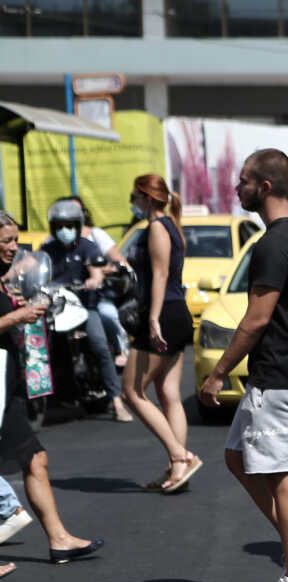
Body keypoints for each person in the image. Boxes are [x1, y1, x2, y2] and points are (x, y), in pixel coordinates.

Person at [199, 149, 288, 582]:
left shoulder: (273, 243)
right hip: (286, 371)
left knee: (280, 474)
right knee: (238, 458)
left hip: (279, 374)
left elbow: (255, 319)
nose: (236, 188)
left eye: (243, 181)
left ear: (264, 187)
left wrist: (217, 373)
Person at [0, 211, 105, 565]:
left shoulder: (5, 277)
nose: (14, 247)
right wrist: (16, 317)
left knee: (36, 459)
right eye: (6, 241)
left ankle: (59, 539)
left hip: (8, 384)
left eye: (15, 240)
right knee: (34, 459)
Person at [121, 174, 203, 494]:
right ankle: (177, 468)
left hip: (164, 313)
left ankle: (181, 455)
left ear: (146, 197)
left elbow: (160, 273)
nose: (133, 202)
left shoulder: (157, 227)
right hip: (175, 311)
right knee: (168, 394)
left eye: (134, 196)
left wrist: (152, 319)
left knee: (132, 391)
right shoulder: (170, 225)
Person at [40, 199, 132, 421]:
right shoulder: (47, 250)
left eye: (69, 225)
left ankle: (117, 401)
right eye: (59, 226)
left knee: (99, 344)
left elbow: (96, 270)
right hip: (57, 308)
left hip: (84, 307)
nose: (64, 230)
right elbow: (33, 267)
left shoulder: (87, 246)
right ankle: (45, 398)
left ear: (78, 225)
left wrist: (94, 279)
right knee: (42, 346)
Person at [68, 195, 129, 366]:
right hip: (67, 299)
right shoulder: (55, 241)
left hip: (95, 298)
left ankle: (121, 350)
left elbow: (119, 262)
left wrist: (104, 272)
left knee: (108, 315)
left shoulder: (94, 236)